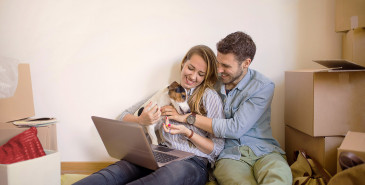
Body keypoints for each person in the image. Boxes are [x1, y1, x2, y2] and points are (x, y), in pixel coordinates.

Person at [74, 45, 225, 185]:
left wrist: (188, 132)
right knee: (113, 173)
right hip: (160, 153)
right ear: (183, 64)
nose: (192, 76)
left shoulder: (209, 97)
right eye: (190, 68)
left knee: (165, 178)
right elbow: (123, 116)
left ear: (206, 76)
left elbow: (216, 148)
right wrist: (141, 120)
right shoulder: (167, 92)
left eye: (200, 74)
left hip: (192, 162)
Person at [162, 31, 293, 185]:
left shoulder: (263, 86)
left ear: (246, 63)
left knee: (279, 180)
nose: (218, 70)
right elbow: (189, 90)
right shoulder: (213, 81)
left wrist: (189, 118)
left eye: (225, 66)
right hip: (230, 155)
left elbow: (235, 128)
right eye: (218, 63)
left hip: (264, 151)